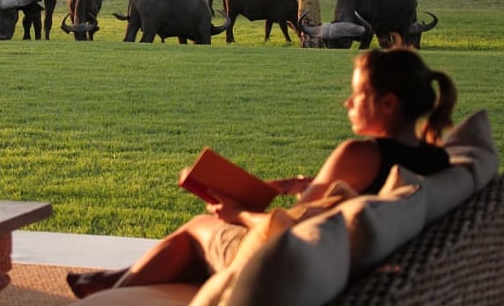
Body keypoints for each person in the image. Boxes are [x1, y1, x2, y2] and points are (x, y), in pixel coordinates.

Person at [67, 47, 457, 298]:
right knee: (204, 236)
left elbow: (285, 229)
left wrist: (235, 213)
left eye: (357, 94)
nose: (348, 102)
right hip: (338, 260)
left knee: (199, 227)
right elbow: (326, 206)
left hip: (289, 264)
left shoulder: (358, 153)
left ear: (387, 104)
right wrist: (297, 188)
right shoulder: (437, 160)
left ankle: (111, 293)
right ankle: (109, 280)